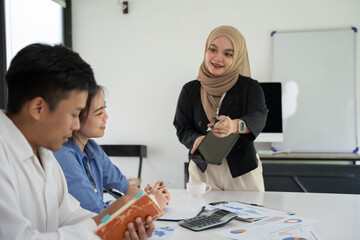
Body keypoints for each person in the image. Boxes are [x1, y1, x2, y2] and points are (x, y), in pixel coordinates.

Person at [0, 43, 154, 239]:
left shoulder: (44, 152)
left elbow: (69, 215)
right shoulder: (4, 153)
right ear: (38, 108)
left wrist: (114, 220)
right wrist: (103, 226)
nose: (75, 126)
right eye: (74, 114)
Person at [173, 25, 268, 191]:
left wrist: (233, 126)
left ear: (237, 57)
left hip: (242, 172)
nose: (217, 58)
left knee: (249, 216)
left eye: (228, 54)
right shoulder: (190, 89)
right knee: (202, 216)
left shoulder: (249, 87)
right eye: (213, 49)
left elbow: (259, 116)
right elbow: (182, 127)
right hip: (202, 169)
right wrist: (197, 140)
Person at [54, 85, 170, 214]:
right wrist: (150, 205)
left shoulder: (92, 149)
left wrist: (149, 197)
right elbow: (99, 213)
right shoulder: (64, 156)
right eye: (99, 113)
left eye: (105, 109)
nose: (106, 116)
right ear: (76, 118)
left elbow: (125, 188)